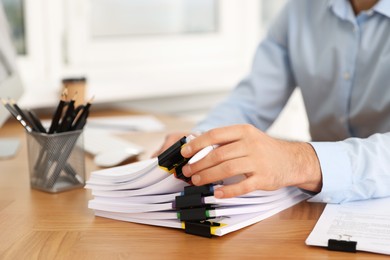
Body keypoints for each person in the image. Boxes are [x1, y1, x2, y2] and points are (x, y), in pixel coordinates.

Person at [154, 0, 390, 204]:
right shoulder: (301, 9)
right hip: (317, 204)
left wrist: (301, 162)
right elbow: (253, 100)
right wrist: (200, 142)